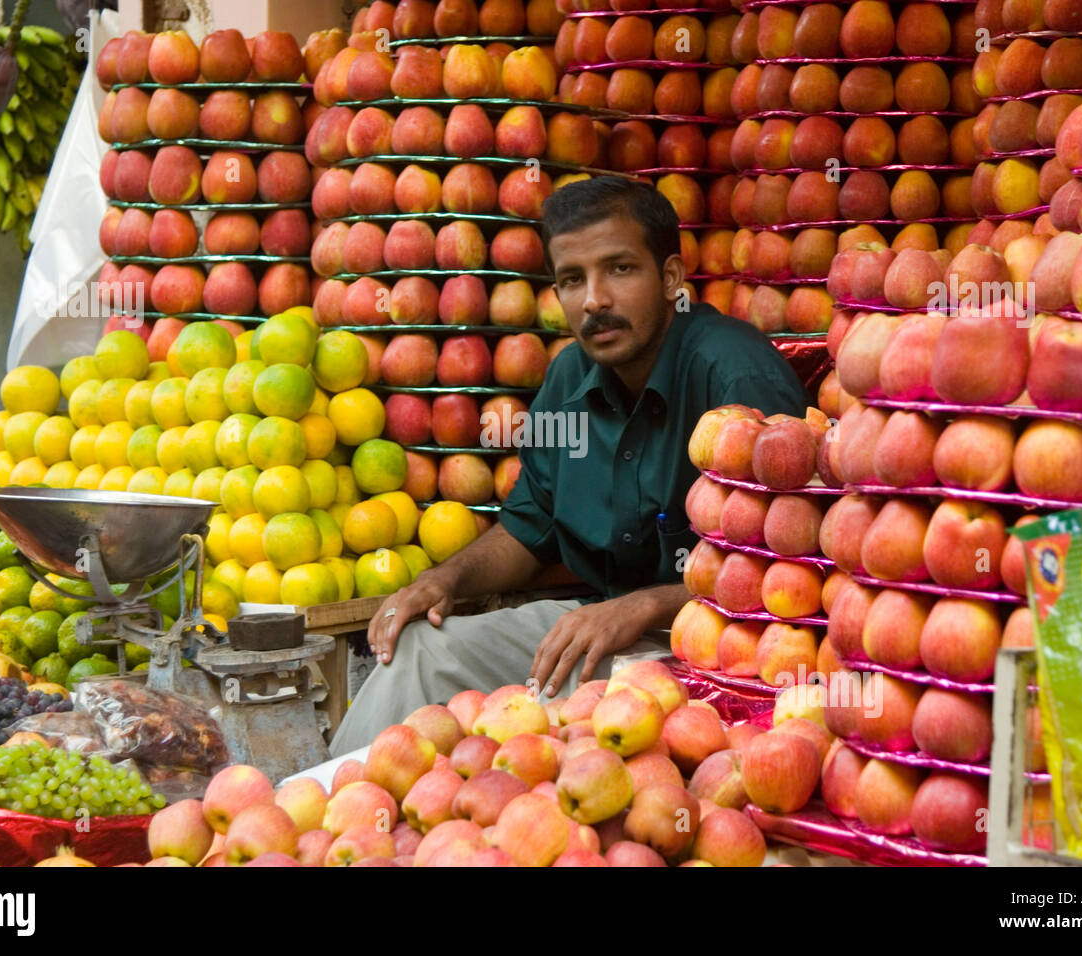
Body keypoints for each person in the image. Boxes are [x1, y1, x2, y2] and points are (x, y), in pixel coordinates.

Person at [329, 176, 808, 753]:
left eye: (620, 269)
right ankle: (338, 812)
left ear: (672, 278)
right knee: (418, 649)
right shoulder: (568, 378)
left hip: (718, 652)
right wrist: (443, 580)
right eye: (572, 280)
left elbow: (793, 571)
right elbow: (530, 528)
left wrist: (648, 603)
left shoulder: (734, 376)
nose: (593, 300)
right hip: (600, 634)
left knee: (570, 732)